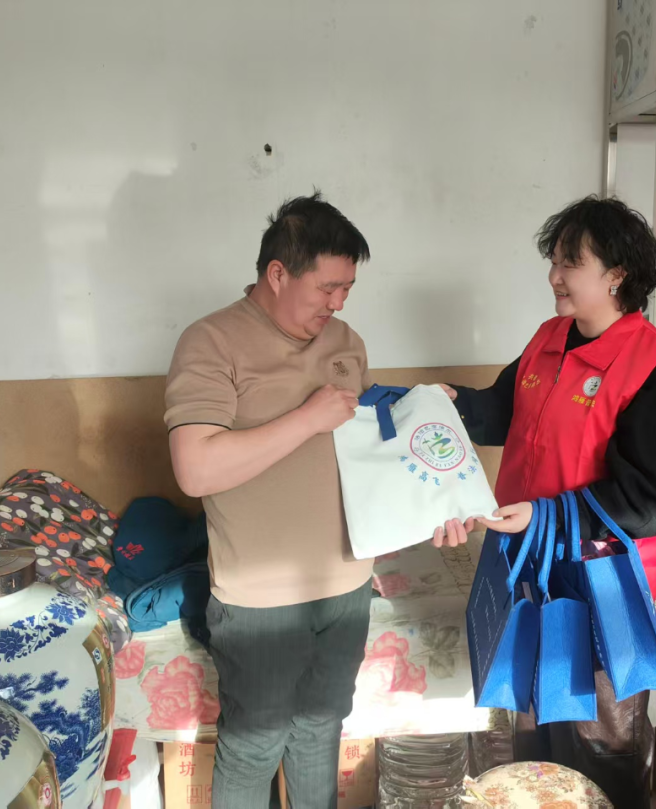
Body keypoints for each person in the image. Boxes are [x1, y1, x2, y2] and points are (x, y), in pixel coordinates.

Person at [164, 192, 466, 809]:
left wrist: (428, 439)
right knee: (254, 745)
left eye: (347, 288)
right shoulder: (211, 342)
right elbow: (195, 469)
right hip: (260, 596)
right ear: (278, 274)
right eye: (327, 288)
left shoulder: (345, 340)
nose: (338, 303)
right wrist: (307, 418)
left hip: (345, 583)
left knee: (320, 732)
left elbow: (369, 447)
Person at [439, 196, 656, 808]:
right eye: (554, 260)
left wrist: (547, 515)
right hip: (530, 569)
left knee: (599, 747)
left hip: (602, 585)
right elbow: (502, 411)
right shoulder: (549, 339)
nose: (554, 275)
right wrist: (448, 405)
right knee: (537, 739)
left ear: (616, 275)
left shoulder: (655, 369)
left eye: (570, 262)